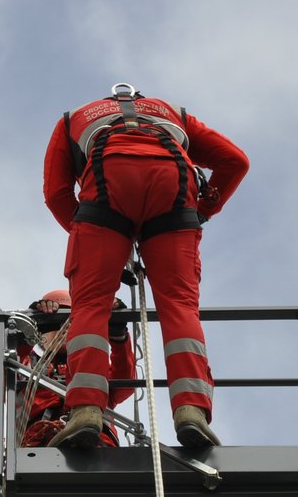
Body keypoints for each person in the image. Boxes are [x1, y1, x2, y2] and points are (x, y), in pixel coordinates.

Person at [42, 83, 247, 450]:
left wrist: (93, 235)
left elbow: (57, 194)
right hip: (174, 192)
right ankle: (192, 413)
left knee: (90, 305)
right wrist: (203, 210)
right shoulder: (174, 113)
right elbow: (235, 161)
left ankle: (86, 410)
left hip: (105, 192)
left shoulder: (72, 119)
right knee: (180, 306)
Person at [17, 288, 134, 448]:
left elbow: (124, 383)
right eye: (56, 323)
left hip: (98, 443)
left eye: (70, 322)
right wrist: (26, 335)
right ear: (40, 336)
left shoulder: (93, 367)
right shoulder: (26, 366)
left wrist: (119, 337)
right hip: (38, 445)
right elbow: (1, 377)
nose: (64, 328)